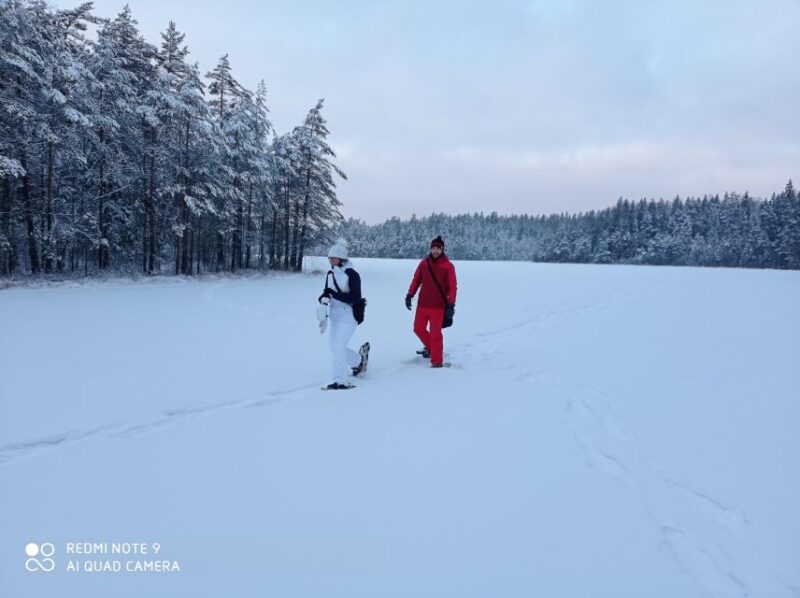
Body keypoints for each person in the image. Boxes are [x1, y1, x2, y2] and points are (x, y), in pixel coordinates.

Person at [318, 239, 369, 390]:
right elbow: (327, 291)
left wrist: (333, 294)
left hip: (349, 316)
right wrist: (323, 299)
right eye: (330, 258)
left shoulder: (352, 274)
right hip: (335, 315)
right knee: (335, 348)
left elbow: (355, 297)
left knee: (339, 347)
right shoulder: (330, 273)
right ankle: (360, 361)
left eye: (334, 258)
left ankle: (341, 381)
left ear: (342, 258)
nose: (331, 260)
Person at [405, 235, 457, 368]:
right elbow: (416, 280)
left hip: (438, 307)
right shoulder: (424, 263)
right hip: (422, 304)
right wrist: (410, 294)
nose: (435, 251)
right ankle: (432, 349)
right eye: (433, 248)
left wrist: (451, 305)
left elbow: (452, 287)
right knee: (418, 329)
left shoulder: (448, 266)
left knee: (435, 334)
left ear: (442, 249)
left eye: (438, 248)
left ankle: (437, 361)